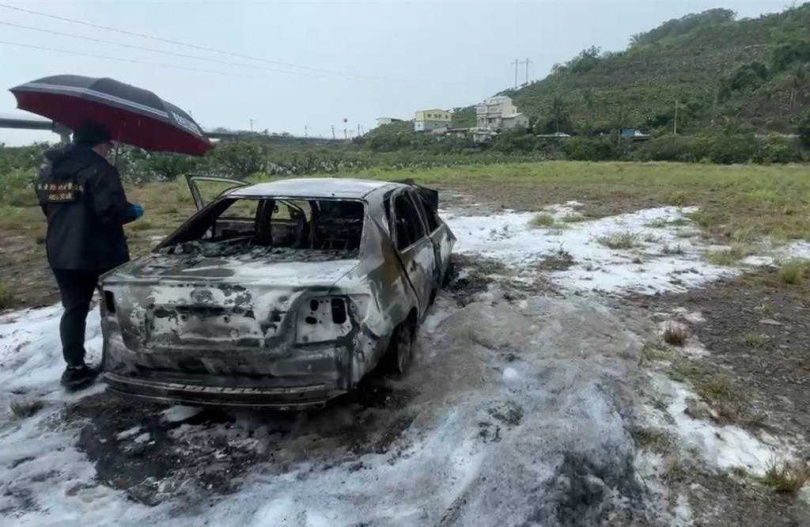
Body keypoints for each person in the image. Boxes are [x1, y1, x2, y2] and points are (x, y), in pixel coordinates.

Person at [35, 122, 144, 390]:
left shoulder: (49, 169)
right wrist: (132, 211)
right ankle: (123, 362)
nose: (109, 151)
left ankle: (75, 369)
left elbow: (48, 207)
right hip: (102, 252)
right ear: (100, 144)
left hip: (61, 251)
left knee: (73, 309)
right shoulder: (101, 169)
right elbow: (111, 213)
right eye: (108, 146)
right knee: (116, 307)